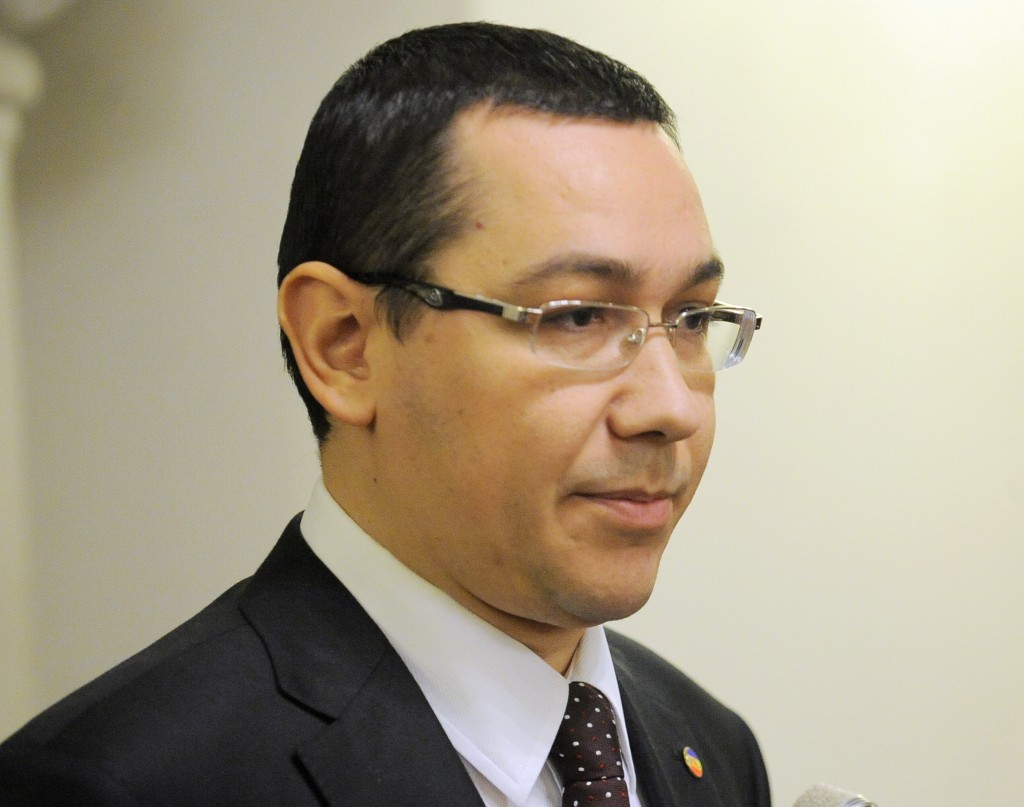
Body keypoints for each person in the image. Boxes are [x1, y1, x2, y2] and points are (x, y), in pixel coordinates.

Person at [0, 21, 769, 806]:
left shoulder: (711, 746)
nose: (670, 406)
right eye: (577, 317)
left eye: (692, 318)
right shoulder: (121, 785)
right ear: (343, 344)